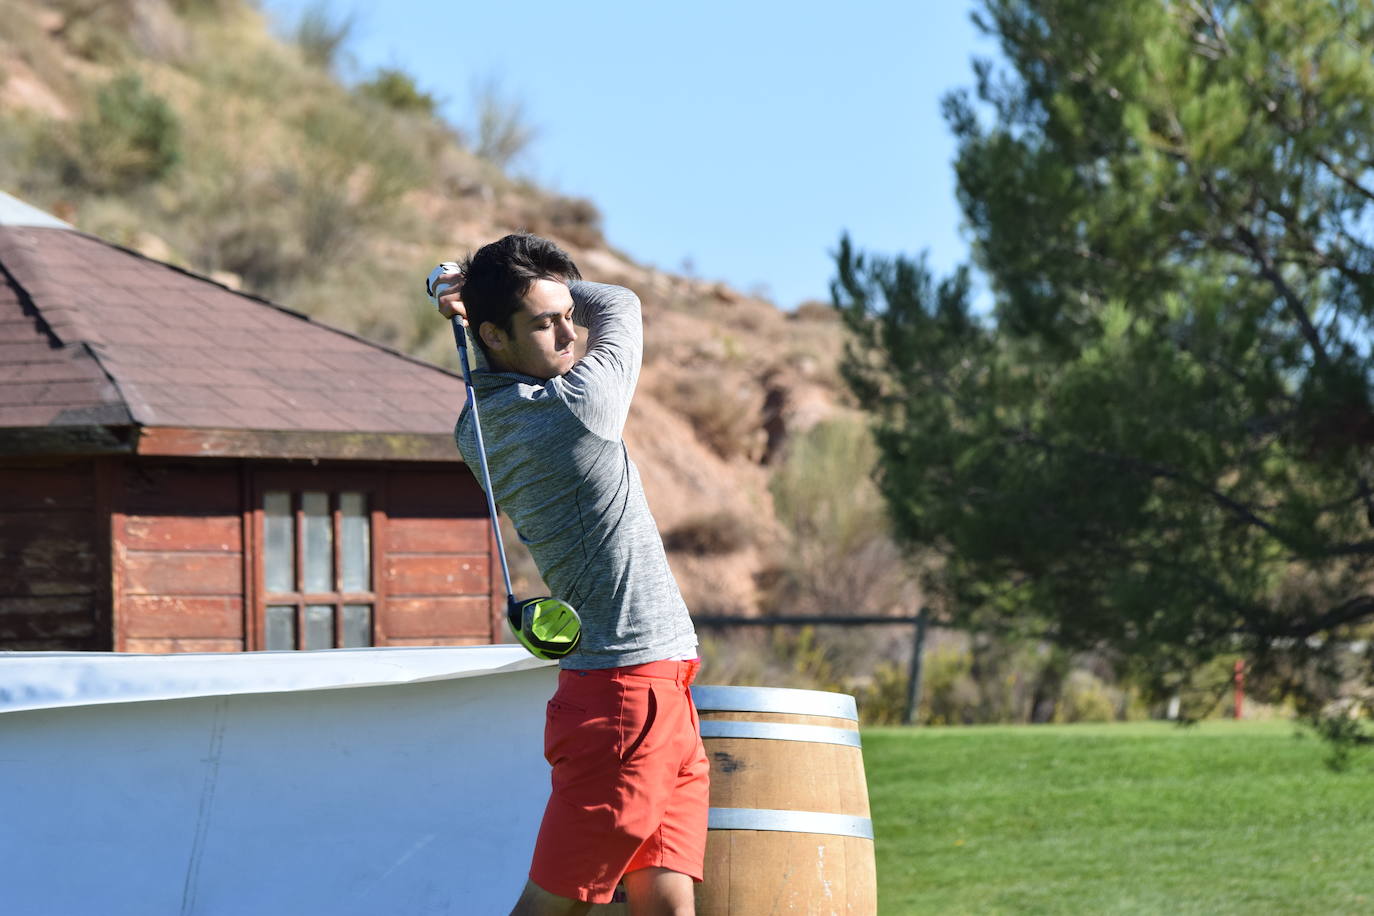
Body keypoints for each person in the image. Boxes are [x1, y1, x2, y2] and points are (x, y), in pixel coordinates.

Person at [432, 233, 708, 916]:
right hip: (625, 699)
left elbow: (549, 327)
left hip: (653, 688)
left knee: (668, 903)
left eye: (566, 316)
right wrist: (469, 287)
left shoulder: (477, 430)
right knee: (554, 904)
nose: (568, 333)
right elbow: (620, 302)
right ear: (492, 334)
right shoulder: (576, 408)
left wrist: (471, 293)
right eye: (544, 322)